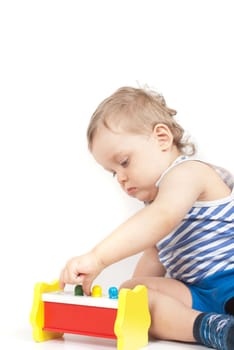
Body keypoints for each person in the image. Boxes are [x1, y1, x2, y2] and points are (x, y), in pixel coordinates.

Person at [59, 86, 234, 350]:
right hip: (197, 295)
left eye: (125, 162)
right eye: (112, 172)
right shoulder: (155, 205)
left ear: (162, 138)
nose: (121, 177)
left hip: (230, 280)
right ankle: (211, 328)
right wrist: (126, 306)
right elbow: (154, 255)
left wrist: (98, 258)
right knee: (134, 295)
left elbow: (161, 217)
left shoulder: (189, 174)